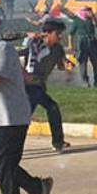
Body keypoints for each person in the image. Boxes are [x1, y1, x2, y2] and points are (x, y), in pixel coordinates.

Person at [0, 17, 53, 194]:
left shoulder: (1, 49)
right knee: (2, 165)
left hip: (8, 119)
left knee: (3, 165)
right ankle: (37, 187)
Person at [24, 19, 71, 153]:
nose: (60, 36)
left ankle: (58, 142)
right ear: (48, 33)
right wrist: (30, 78)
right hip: (29, 85)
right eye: (58, 33)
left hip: (39, 86)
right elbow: (31, 63)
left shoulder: (58, 49)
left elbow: (61, 66)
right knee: (52, 107)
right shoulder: (37, 44)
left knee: (25, 118)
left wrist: (66, 65)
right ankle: (58, 142)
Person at [66, 6, 97, 87]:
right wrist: (70, 45)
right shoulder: (77, 20)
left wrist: (93, 16)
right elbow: (71, 34)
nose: (89, 12)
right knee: (83, 62)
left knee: (95, 61)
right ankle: (85, 81)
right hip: (82, 42)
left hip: (92, 41)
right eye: (87, 11)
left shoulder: (90, 19)